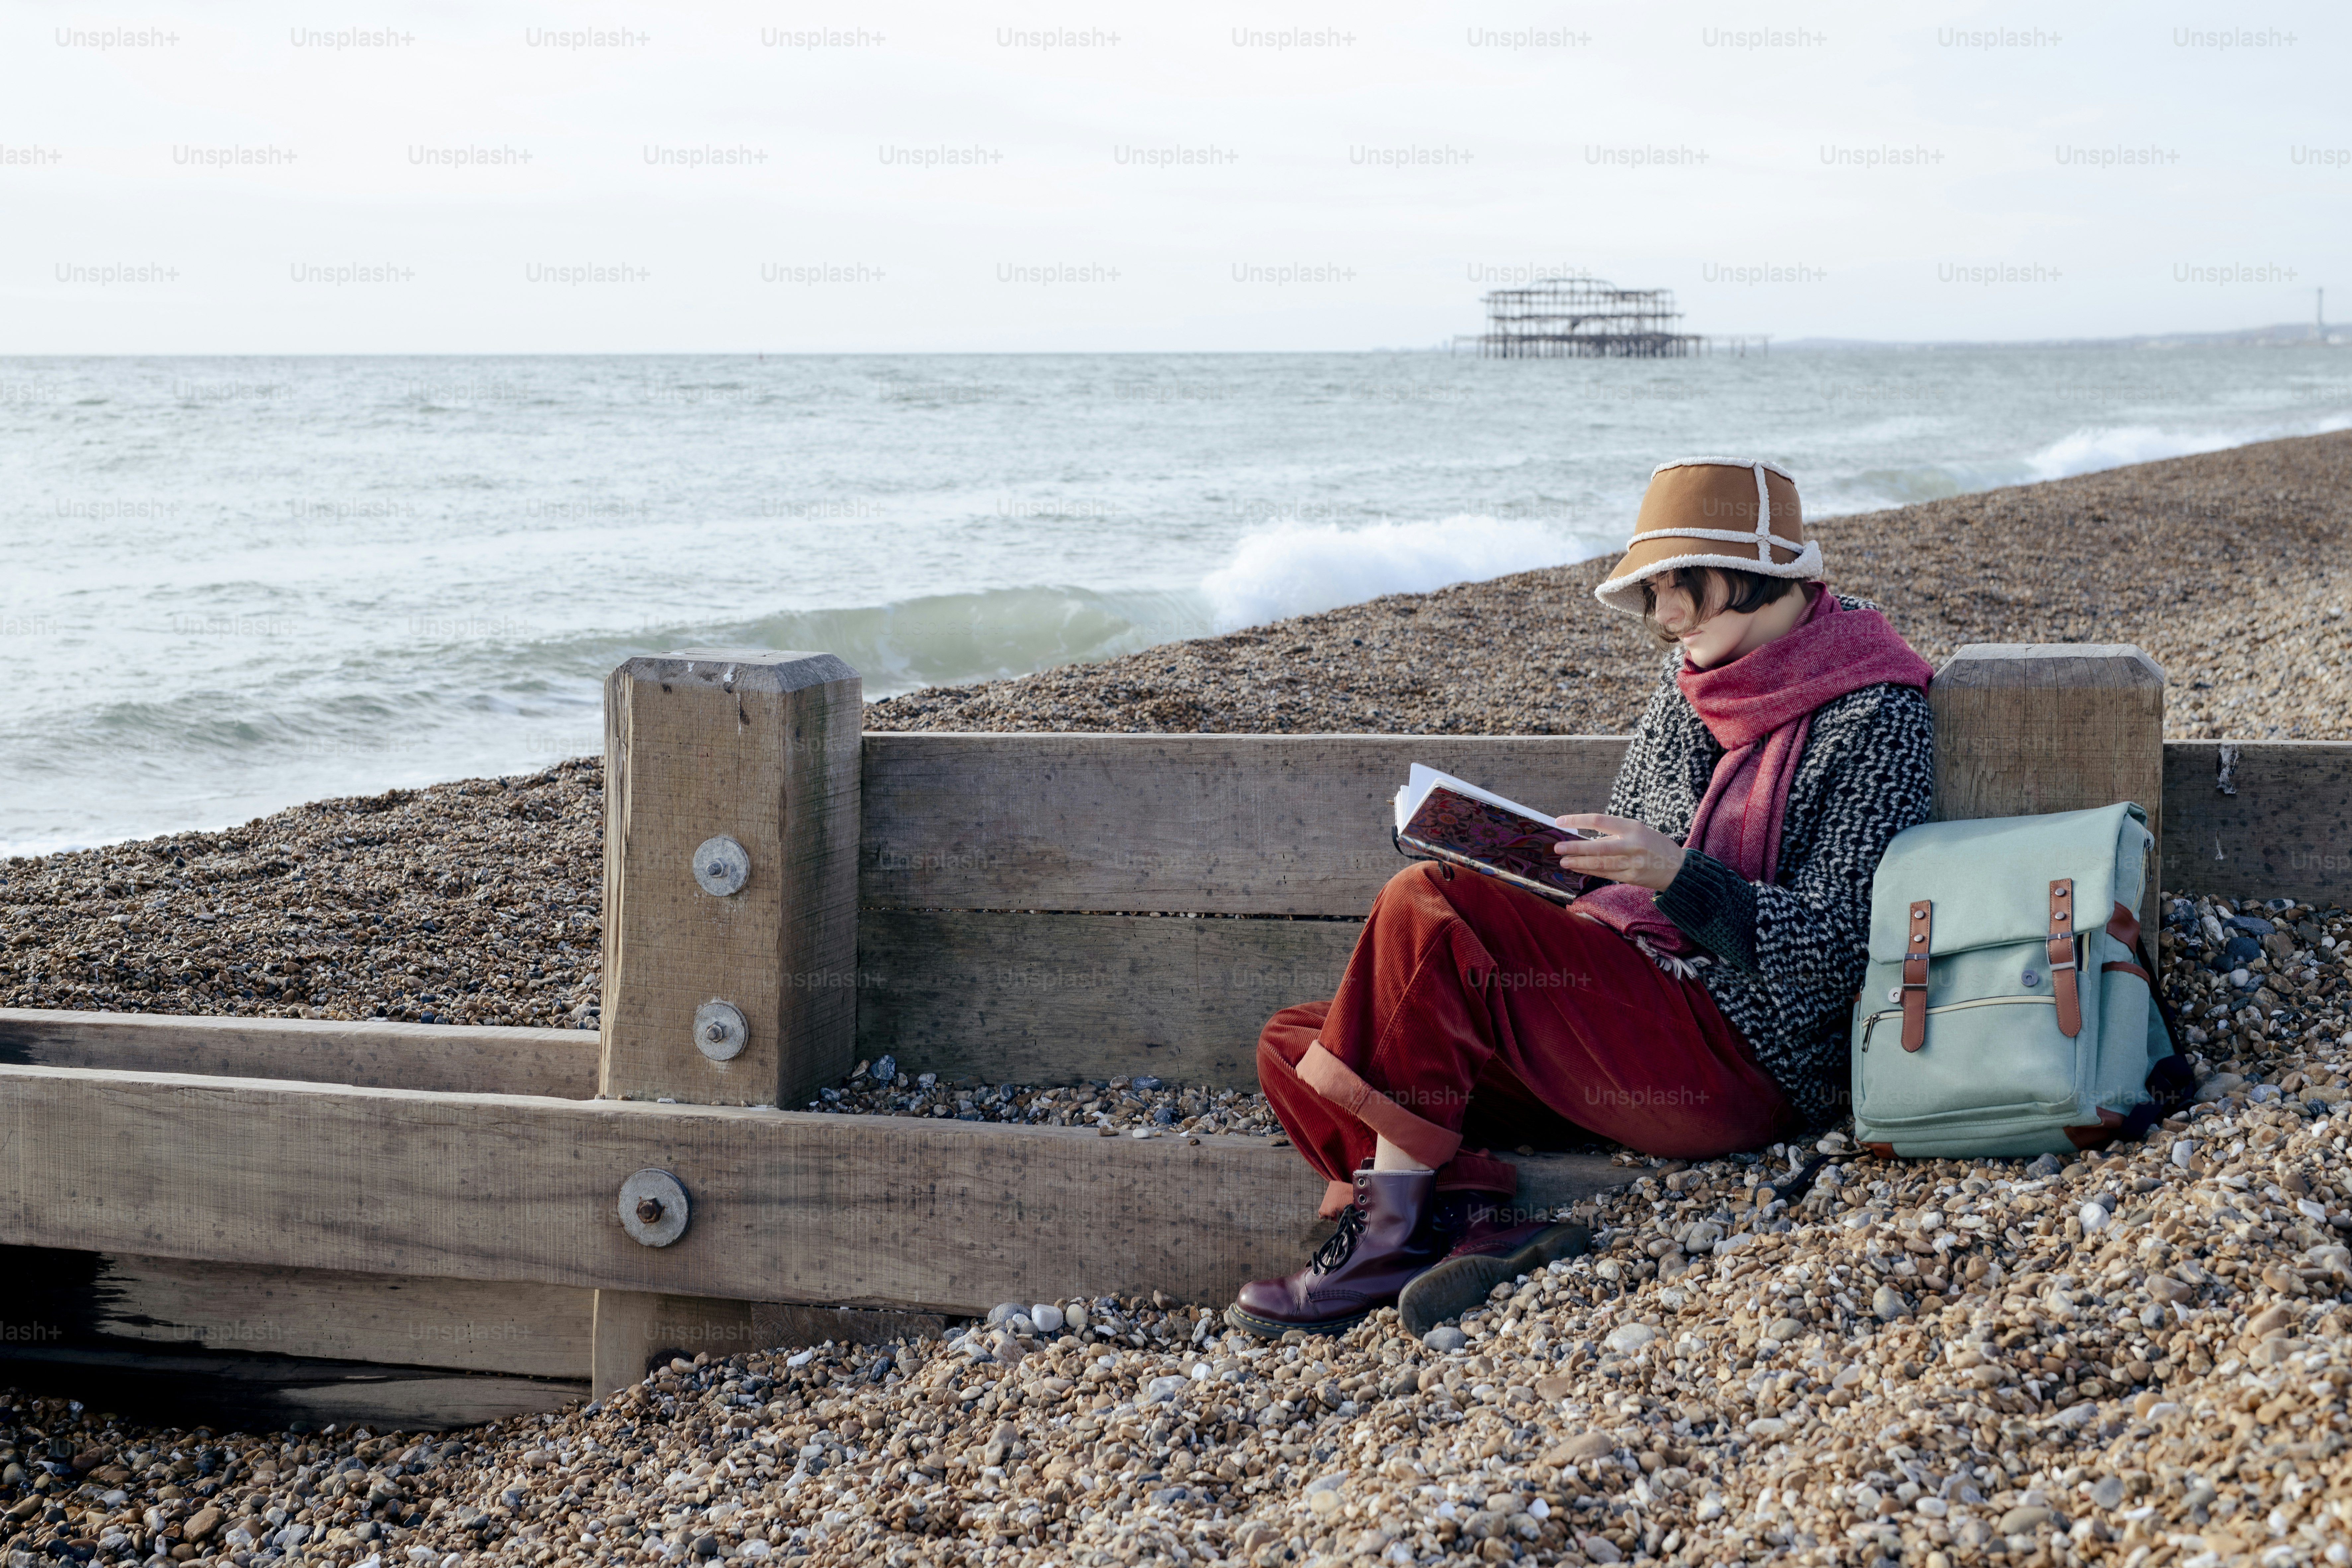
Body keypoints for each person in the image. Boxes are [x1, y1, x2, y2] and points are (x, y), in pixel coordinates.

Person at [1227, 457, 1937, 1338]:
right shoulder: (1689, 695)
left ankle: (1387, 1238)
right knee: (1297, 1044)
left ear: (1762, 576)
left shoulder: (1876, 712)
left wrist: (1679, 875)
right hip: (1620, 1019)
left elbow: (1842, 950)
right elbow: (1620, 886)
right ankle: (1477, 1222)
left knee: (1428, 904)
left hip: (1747, 1055)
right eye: (1653, 591)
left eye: (1685, 584)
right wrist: (1534, 861)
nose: (1666, 612)